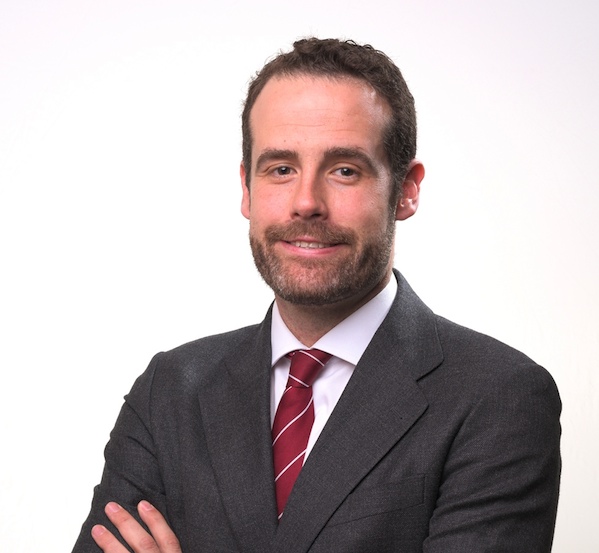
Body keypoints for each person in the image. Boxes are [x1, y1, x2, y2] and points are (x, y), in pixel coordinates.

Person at [72, 38, 561, 553]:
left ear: (406, 190)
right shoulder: (171, 389)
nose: (306, 202)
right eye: (281, 169)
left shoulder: (498, 397)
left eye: (344, 170)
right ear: (247, 188)